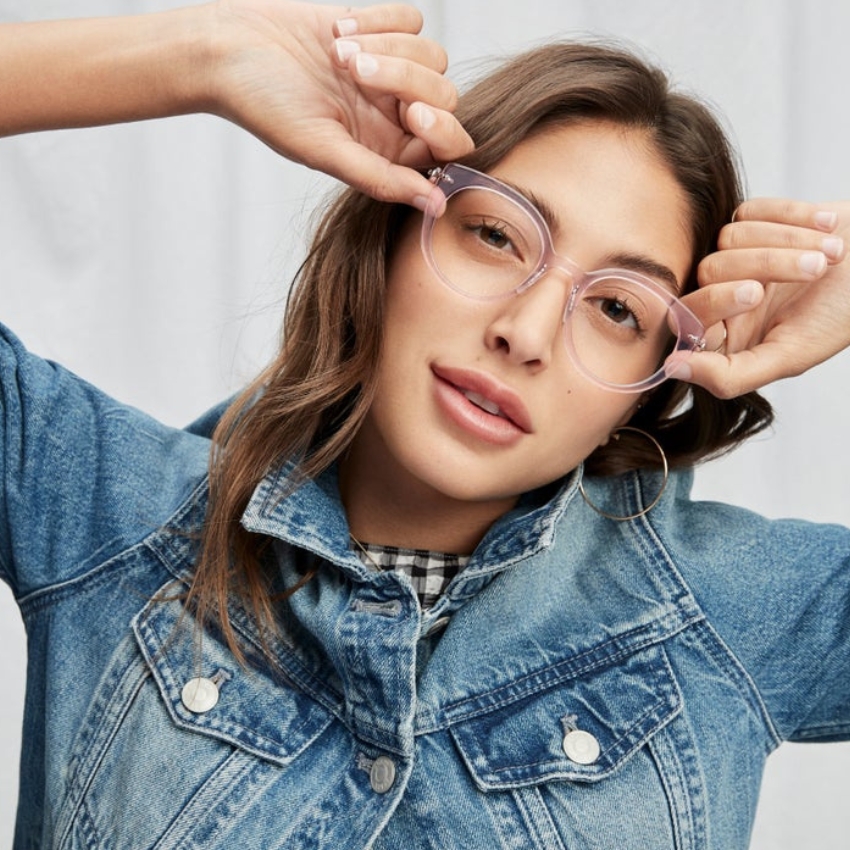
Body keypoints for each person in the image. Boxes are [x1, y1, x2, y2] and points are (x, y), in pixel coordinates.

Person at [1, 2, 848, 848]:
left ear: (648, 385)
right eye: (496, 235)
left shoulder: (727, 610)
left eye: (619, 310)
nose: (525, 333)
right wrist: (199, 55)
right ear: (395, 233)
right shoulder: (107, 516)